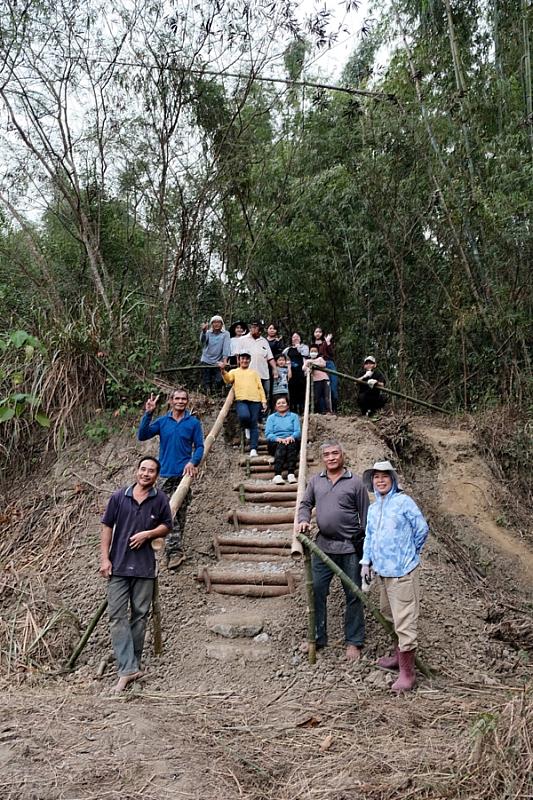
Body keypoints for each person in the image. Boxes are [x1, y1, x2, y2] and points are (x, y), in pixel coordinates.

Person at [100, 456, 172, 692]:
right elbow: (107, 527)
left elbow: (166, 526)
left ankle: (132, 667)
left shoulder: (160, 498)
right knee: (117, 616)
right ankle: (128, 668)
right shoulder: (119, 497)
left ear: (156, 476)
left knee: (140, 616)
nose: (146, 474)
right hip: (118, 565)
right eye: (143, 469)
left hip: (144, 569)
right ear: (136, 471)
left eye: (151, 471)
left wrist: (148, 534)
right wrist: (104, 558)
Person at [360, 460, 429, 693]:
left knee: (405, 621)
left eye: (384, 476)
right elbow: (369, 536)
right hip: (382, 573)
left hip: (402, 573)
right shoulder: (374, 508)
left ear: (393, 479)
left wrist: (410, 553)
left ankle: (408, 673)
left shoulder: (403, 502)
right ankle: (397, 657)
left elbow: (422, 529)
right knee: (389, 616)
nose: (380, 480)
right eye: (376, 477)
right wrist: (366, 562)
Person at [297, 441, 369, 661]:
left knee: (353, 593)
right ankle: (318, 637)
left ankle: (354, 642)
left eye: (335, 453)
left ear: (342, 455)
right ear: (322, 458)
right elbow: (305, 504)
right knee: (317, 590)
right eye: (327, 454)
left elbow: (366, 517)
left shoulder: (355, 483)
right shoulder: (316, 481)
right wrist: (303, 520)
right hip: (323, 546)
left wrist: (367, 549)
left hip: (350, 547)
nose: (331, 457)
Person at [137, 387, 204, 570]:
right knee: (167, 513)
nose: (180, 401)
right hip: (165, 474)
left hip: (184, 476)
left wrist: (193, 462)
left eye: (184, 399)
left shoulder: (193, 423)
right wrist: (148, 413)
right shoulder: (163, 421)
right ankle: (174, 551)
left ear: (187, 401)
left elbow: (199, 446)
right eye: (177, 398)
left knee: (180, 515)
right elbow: (142, 435)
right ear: (171, 401)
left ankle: (174, 550)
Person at [219, 352, 267, 457]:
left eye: (246, 359)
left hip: (255, 400)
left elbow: (260, 387)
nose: (244, 361)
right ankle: (246, 426)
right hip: (241, 399)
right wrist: (222, 370)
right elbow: (228, 380)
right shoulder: (234, 371)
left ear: (249, 361)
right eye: (242, 359)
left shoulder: (254, 373)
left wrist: (263, 401)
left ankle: (253, 449)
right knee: (244, 416)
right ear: (239, 360)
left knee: (254, 424)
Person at [239, 319, 278, 401]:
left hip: (264, 374)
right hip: (249, 374)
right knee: (252, 396)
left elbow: (270, 357)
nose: (255, 329)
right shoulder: (242, 340)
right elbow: (238, 357)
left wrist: (275, 369)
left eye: (258, 328)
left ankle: (265, 412)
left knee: (265, 396)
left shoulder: (264, 341)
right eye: (254, 327)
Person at [265, 397, 300, 484]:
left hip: (290, 441)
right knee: (281, 445)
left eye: (283, 403)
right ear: (275, 406)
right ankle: (277, 475)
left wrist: (291, 437)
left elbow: (298, 431)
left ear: (287, 405)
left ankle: (291, 474)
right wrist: (278, 439)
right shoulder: (271, 418)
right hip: (275, 443)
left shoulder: (294, 416)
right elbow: (268, 434)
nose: (281, 405)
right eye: (278, 403)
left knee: (291, 444)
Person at [199, 315, 231, 393]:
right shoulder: (208, 332)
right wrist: (203, 331)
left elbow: (226, 348)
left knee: (219, 380)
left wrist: (225, 360)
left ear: (222, 324)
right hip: (206, 359)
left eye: (218, 322)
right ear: (212, 324)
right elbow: (202, 341)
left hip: (218, 361)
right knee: (206, 381)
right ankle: (207, 396)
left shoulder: (225, 334)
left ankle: (219, 396)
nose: (216, 324)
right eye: (214, 322)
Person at [312, 326, 338, 412]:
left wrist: (327, 342)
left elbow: (331, 353)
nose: (318, 333)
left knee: (333, 386)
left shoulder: (326, 342)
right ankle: (323, 410)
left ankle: (333, 409)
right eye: (316, 332)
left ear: (322, 333)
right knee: (321, 388)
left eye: (319, 331)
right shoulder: (312, 345)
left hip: (328, 363)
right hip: (318, 366)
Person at [283, 332, 309, 414]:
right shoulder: (287, 349)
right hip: (291, 373)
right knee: (292, 391)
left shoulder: (304, 347)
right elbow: (283, 357)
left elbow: (306, 354)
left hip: (301, 372)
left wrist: (299, 347)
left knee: (301, 391)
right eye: (293, 337)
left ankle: (302, 410)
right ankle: (293, 410)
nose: (295, 338)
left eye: (297, 337)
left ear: (300, 338)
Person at [303, 345, 331, 413]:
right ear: (309, 352)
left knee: (326, 396)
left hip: (325, 379)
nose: (313, 352)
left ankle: (329, 411)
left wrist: (312, 363)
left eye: (315, 351)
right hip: (315, 380)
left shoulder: (320, 359)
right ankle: (318, 412)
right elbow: (303, 368)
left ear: (317, 352)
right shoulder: (307, 360)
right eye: (312, 351)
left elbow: (323, 364)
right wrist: (307, 368)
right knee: (316, 397)